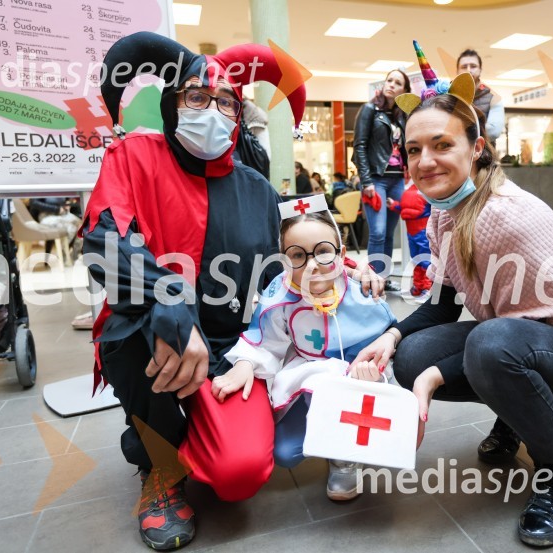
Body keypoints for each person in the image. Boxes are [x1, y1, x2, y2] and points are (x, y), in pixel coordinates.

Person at [353, 44, 553, 547]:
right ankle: (516, 414)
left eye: (441, 145)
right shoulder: (445, 211)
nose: (424, 161)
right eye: (414, 150)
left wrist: (435, 380)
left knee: (490, 346)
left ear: (476, 148)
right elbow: (441, 305)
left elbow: (521, 332)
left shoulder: (506, 217)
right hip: (526, 336)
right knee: (414, 354)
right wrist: (390, 337)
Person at [81, 32, 309, 551]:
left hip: (230, 347)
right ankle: (160, 464)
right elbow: (103, 240)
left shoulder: (256, 188)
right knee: (130, 331)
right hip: (150, 330)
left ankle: (206, 430)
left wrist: (336, 266)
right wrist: (169, 298)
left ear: (238, 111)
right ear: (172, 103)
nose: (212, 109)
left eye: (225, 100)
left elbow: (281, 270)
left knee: (240, 474)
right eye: (196, 96)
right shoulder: (133, 156)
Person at [214, 196, 396, 501]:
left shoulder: (361, 289)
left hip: (359, 379)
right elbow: (265, 341)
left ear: (341, 253)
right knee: (286, 453)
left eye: (324, 252)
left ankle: (343, 457)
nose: (312, 265)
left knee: (336, 393)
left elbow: (388, 333)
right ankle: (330, 440)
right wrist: (245, 363)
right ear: (284, 261)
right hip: (308, 372)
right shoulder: (280, 295)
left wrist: (373, 370)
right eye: (297, 255)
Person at [352, 67, 411, 291]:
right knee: (377, 233)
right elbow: (359, 145)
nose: (391, 85)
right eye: (389, 80)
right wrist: (365, 180)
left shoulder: (402, 116)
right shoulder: (369, 109)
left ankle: (383, 279)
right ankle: (373, 280)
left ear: (404, 90)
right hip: (375, 179)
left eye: (397, 82)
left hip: (397, 181)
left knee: (388, 233)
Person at [388, 183, 432, 301]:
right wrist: (394, 205)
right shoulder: (411, 190)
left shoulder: (427, 189)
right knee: (417, 260)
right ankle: (419, 286)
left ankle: (427, 289)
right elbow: (404, 208)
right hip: (413, 232)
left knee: (425, 261)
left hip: (422, 230)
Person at [457, 48, 504, 146]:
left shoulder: (493, 98)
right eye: (464, 66)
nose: (469, 70)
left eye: (473, 66)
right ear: (458, 70)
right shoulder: (447, 94)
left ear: (480, 70)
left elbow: (493, 131)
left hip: (483, 157)